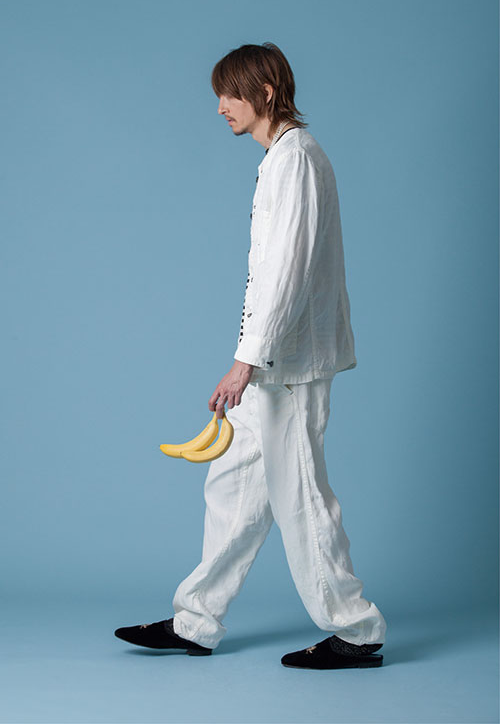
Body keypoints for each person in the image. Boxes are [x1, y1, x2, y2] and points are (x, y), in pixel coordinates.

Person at [114, 42, 387, 670]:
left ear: (264, 91)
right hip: (269, 362)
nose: (220, 107)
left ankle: (357, 630)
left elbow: (286, 274)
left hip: (286, 367)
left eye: (229, 93)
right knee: (233, 485)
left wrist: (246, 362)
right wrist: (250, 359)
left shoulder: (296, 159)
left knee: (301, 496)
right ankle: (195, 621)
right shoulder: (280, 159)